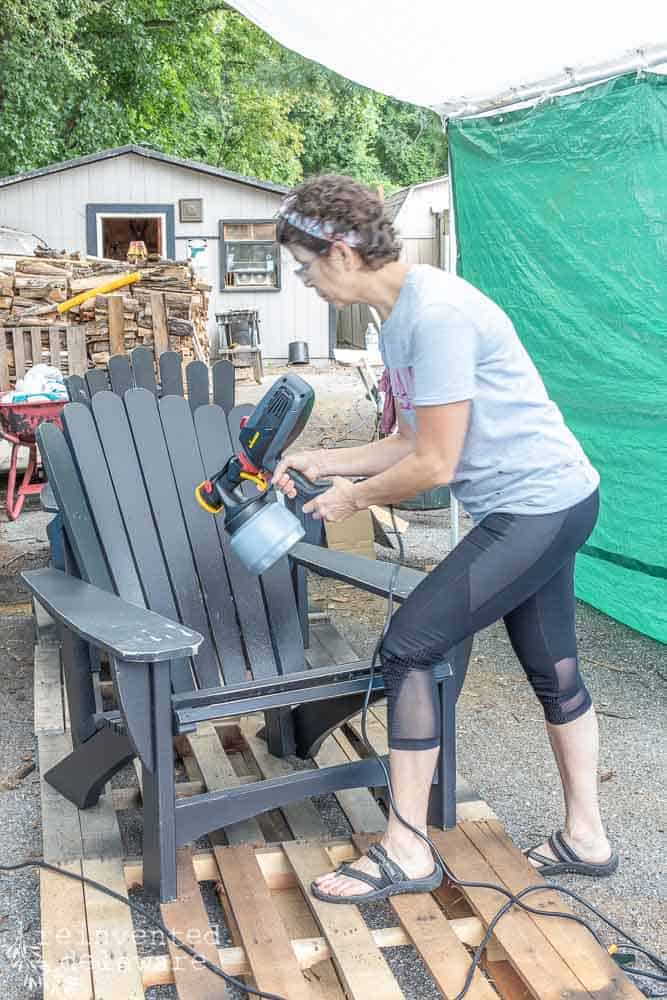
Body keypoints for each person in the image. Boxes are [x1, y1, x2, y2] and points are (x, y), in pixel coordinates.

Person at [272, 174, 617, 903]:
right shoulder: (397, 317)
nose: (306, 284)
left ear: (339, 251)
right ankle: (585, 838)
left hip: (536, 506)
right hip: (540, 503)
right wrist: (323, 459)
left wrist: (351, 498)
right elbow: (406, 437)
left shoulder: (436, 314)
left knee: (410, 644)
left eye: (305, 268)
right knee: (551, 670)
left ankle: (405, 847)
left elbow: (434, 464)